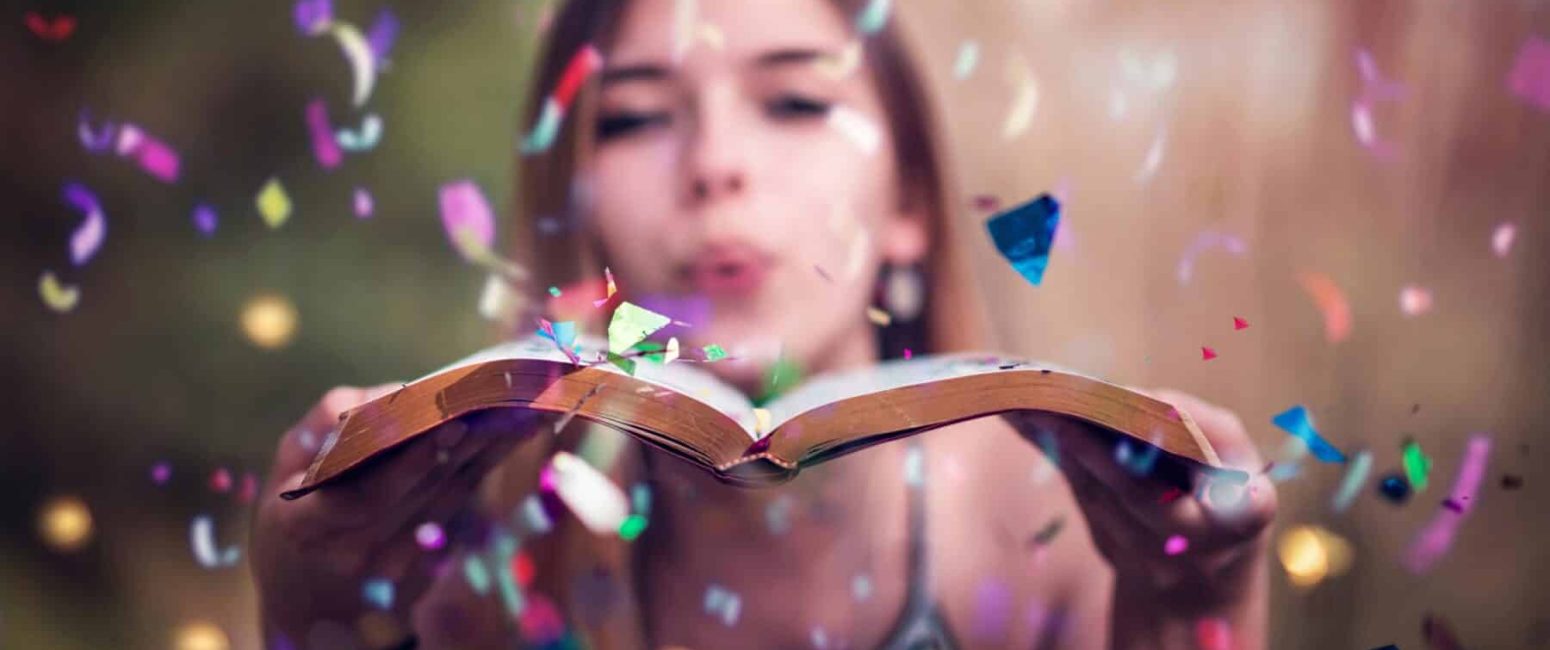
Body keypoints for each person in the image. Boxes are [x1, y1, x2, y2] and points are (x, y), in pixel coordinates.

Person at [251, 0, 1277, 647]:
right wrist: (316, 613)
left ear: (911, 198)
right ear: (580, 211)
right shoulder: (478, 576)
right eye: (636, 115)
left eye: (791, 101)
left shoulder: (1057, 541)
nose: (713, 162)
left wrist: (1194, 606)